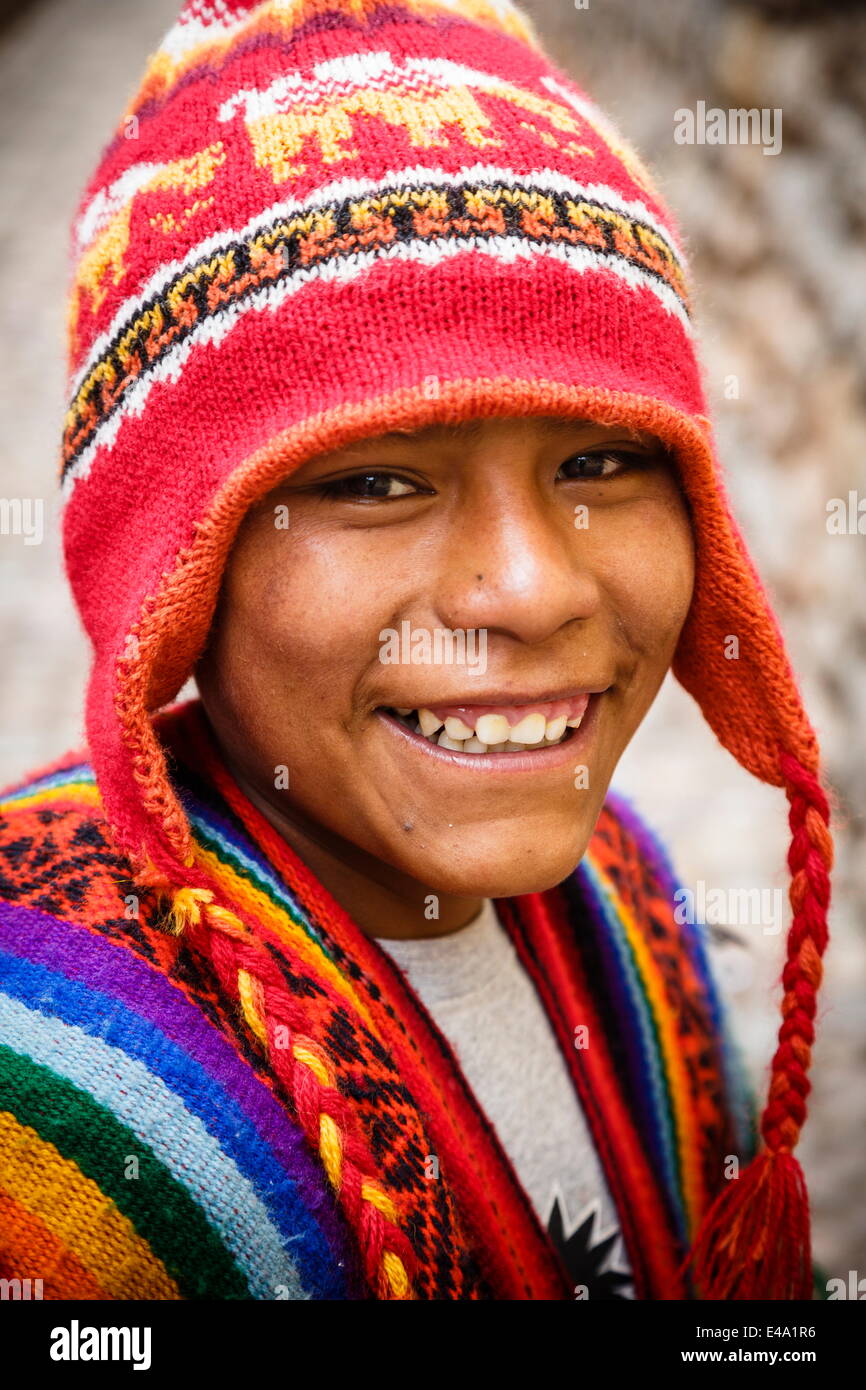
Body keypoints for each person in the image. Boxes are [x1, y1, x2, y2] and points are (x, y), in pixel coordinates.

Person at [0, 0, 832, 1300]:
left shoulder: (633, 902)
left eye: (602, 460)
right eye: (378, 483)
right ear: (175, 572)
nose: (532, 586)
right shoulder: (51, 1127)